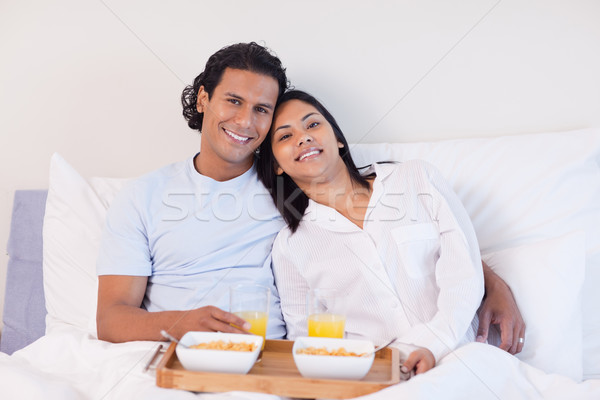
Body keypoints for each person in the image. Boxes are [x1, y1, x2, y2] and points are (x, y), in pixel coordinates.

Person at [96, 42, 524, 353]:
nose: (245, 120)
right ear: (204, 99)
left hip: (269, 360)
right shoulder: (144, 196)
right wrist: (180, 324)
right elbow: (111, 318)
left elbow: (401, 229)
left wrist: (493, 284)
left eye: (262, 110)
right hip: (173, 351)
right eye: (233, 101)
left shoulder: (291, 187)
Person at [257, 90, 495, 374]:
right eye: (285, 136)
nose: (303, 137)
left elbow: (464, 276)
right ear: (276, 165)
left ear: (338, 138)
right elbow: (308, 340)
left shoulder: (417, 178)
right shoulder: (290, 246)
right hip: (376, 380)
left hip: (462, 361)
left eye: (312, 125)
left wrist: (433, 344)